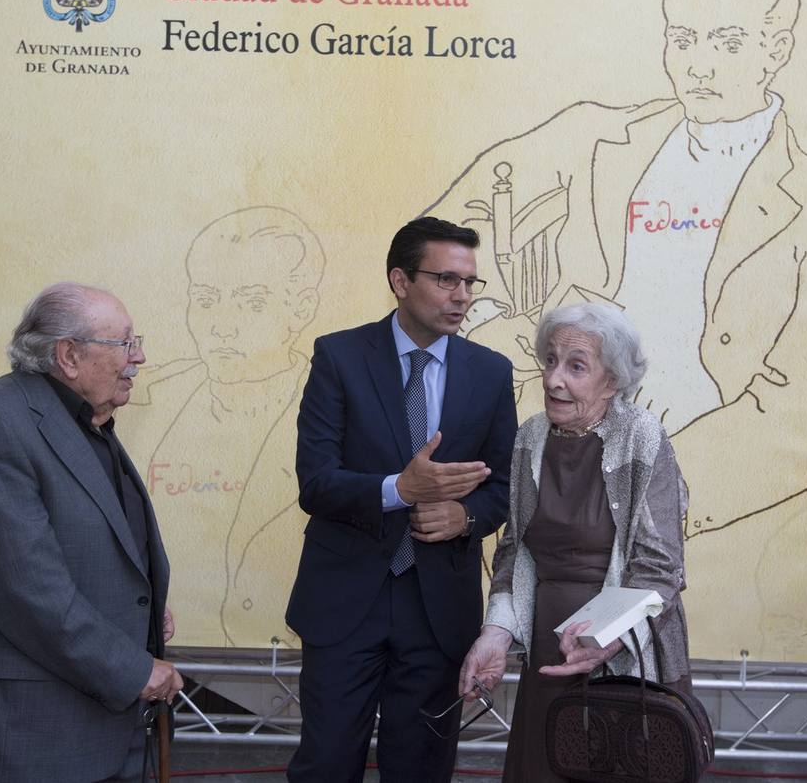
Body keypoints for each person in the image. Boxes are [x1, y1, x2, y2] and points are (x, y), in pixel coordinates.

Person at [424, 0, 807, 539]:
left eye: (727, 43)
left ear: (776, 52)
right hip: (543, 449)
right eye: (683, 38)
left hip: (677, 498)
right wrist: (485, 318)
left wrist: (639, 497)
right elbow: (450, 227)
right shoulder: (595, 135)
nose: (698, 65)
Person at [0, 283, 183, 783]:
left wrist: (139, 607)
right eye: (124, 343)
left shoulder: (84, 419)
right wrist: (134, 669)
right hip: (21, 733)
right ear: (69, 355)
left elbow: (88, 544)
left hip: (89, 723)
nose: (139, 357)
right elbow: (27, 587)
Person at [286, 217, 519, 783]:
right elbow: (315, 482)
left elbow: (505, 488)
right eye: (445, 280)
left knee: (420, 768)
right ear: (399, 280)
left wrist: (466, 517)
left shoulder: (491, 373)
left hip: (438, 607)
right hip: (345, 602)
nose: (461, 295)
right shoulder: (339, 357)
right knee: (326, 763)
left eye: (470, 283)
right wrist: (399, 490)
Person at [458, 302, 691, 782]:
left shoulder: (643, 438)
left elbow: (659, 567)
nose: (553, 379)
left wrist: (606, 638)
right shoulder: (530, 439)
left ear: (611, 381)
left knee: (614, 763)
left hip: (625, 653)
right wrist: (496, 633)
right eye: (550, 360)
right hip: (552, 650)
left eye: (575, 365)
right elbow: (513, 549)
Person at [136, 206, 324, 646]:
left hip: (292, 648)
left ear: (302, 309)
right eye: (205, 300)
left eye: (251, 302)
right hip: (165, 647)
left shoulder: (342, 408)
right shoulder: (145, 401)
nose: (221, 326)